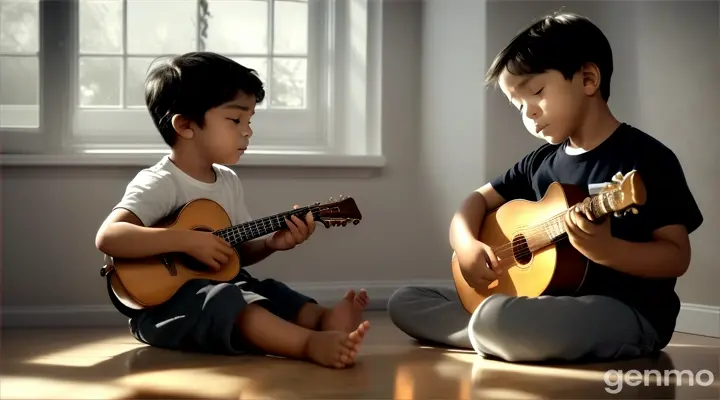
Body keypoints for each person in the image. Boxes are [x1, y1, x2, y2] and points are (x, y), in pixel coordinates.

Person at [387, 12, 703, 363]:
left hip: (625, 311)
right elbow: (476, 200)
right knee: (405, 299)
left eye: (536, 92)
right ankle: (494, 332)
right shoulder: (540, 162)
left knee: (498, 317)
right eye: (519, 105)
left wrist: (607, 250)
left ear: (588, 79)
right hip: (547, 302)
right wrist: (465, 245)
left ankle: (493, 329)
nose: (529, 113)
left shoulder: (646, 157)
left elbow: (677, 256)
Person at [95, 52, 370, 369]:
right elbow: (110, 236)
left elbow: (234, 255)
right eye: (236, 120)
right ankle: (308, 343)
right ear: (185, 125)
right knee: (228, 300)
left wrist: (270, 244)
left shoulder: (227, 181)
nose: (248, 131)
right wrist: (187, 241)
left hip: (221, 288)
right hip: (164, 309)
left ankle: (324, 320)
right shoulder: (160, 182)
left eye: (249, 120)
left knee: (265, 289)